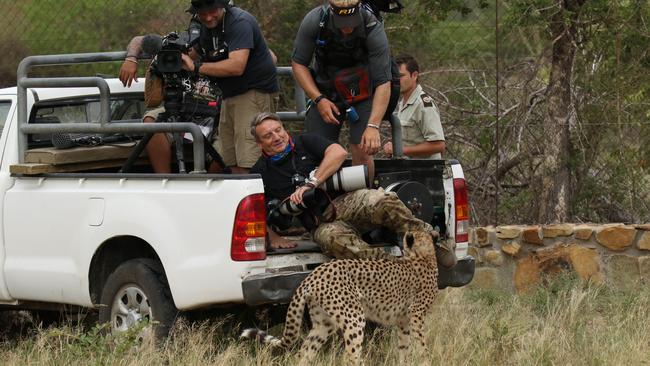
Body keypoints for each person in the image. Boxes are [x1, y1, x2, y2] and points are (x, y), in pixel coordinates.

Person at [120, 0, 279, 174]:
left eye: (212, 11)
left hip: (250, 93)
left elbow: (238, 66)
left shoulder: (239, 22)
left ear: (223, 6)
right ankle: (166, 182)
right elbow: (143, 41)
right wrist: (133, 58)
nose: (208, 17)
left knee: (247, 159)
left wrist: (195, 67)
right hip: (225, 97)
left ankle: (253, 198)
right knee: (231, 158)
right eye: (202, 14)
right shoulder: (203, 31)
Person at [250, 112, 436, 257]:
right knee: (332, 240)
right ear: (259, 144)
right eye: (268, 135)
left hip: (346, 201)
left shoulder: (305, 141)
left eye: (278, 130)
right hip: (318, 221)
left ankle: (428, 238)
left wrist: (311, 183)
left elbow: (338, 152)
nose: (276, 137)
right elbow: (252, 210)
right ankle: (388, 268)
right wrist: (273, 237)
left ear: (284, 129)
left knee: (381, 199)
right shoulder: (260, 171)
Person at [291, 0, 393, 181]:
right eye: (342, 24)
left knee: (363, 148)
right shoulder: (315, 21)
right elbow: (298, 64)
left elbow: (383, 82)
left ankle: (363, 200)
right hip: (325, 91)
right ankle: (323, 202)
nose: (348, 29)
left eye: (352, 23)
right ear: (332, 12)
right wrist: (318, 99)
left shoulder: (372, 26)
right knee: (318, 149)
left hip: (362, 93)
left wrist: (373, 126)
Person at [383, 54, 445, 159]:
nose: (396, 80)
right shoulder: (401, 103)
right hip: (408, 169)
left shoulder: (423, 104)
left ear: (415, 75)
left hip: (426, 171)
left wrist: (400, 150)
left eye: (401, 76)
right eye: (394, 76)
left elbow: (439, 145)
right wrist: (393, 146)